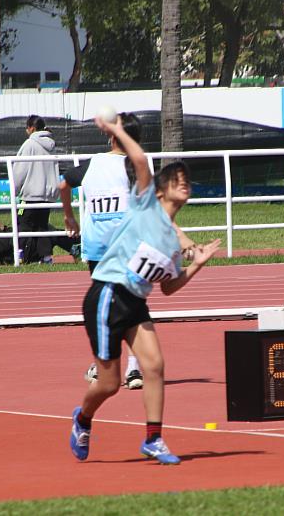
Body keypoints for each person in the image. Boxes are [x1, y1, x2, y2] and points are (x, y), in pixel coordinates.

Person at [69, 114, 221, 465]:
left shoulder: (172, 239)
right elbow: (139, 161)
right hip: (107, 296)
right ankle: (83, 419)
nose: (185, 184)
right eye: (178, 180)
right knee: (109, 384)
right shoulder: (144, 203)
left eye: (188, 181)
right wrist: (117, 130)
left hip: (135, 303)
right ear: (161, 188)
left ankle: (153, 439)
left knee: (154, 366)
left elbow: (168, 288)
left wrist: (197, 264)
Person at [61, 113, 199, 390]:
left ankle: (108, 365)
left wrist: (69, 217)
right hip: (126, 246)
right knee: (133, 303)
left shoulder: (91, 164)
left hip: (98, 246)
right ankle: (131, 368)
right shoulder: (134, 166)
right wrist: (181, 237)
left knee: (110, 306)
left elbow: (63, 183)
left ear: (112, 135)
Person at [13, 115, 60, 264]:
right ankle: (46, 257)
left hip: (31, 195)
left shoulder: (29, 144)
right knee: (41, 226)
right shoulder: (52, 145)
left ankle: (21, 254)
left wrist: (14, 189)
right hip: (47, 195)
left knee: (22, 224)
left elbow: (19, 170)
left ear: (31, 128)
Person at [0, 213, 80, 265]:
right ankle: (77, 245)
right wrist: (4, 229)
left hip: (23, 248)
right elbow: (8, 242)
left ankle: (76, 245)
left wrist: (3, 228)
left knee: (46, 230)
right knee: (44, 230)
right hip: (22, 255)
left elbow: (10, 239)